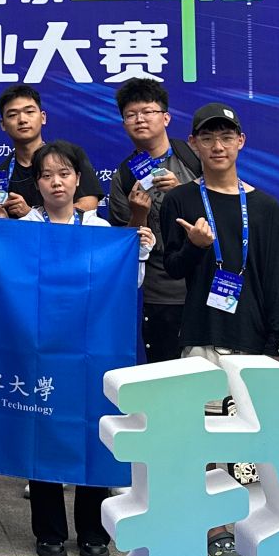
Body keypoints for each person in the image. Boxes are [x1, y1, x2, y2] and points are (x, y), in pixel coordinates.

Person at [154, 101, 279, 556]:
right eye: (208, 138)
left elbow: (277, 278)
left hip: (254, 342)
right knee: (206, 440)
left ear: (241, 142)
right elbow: (173, 267)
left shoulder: (266, 207)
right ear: (193, 144)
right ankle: (213, 528)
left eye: (226, 137)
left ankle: (250, 527)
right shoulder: (180, 200)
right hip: (201, 335)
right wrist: (197, 247)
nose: (218, 146)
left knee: (252, 443)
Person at [21, 140, 151, 556]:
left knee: (93, 430)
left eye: (64, 174)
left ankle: (93, 530)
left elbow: (127, 285)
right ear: (37, 183)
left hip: (91, 349)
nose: (56, 182)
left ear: (79, 180)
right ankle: (49, 530)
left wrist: (137, 247)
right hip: (41, 348)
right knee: (43, 430)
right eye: (46, 175)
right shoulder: (24, 229)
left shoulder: (98, 227)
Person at [103, 78, 202, 364]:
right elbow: (123, 246)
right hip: (160, 292)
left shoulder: (194, 158)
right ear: (124, 124)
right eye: (131, 115)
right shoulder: (124, 175)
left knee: (212, 376)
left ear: (166, 118)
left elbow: (221, 211)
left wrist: (182, 193)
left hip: (203, 283)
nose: (140, 119)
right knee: (165, 373)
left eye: (148, 111)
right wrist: (139, 214)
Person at [0, 82, 103, 218]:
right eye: (12, 115)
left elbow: (89, 204)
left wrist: (32, 215)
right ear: (3, 125)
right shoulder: (0, 174)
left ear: (43, 117)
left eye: (29, 112)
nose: (22, 120)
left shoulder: (71, 155)